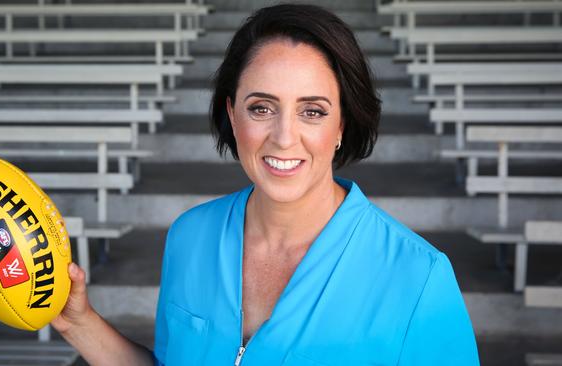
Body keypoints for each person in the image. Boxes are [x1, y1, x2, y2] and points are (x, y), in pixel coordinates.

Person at [52, 4, 480, 365]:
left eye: (312, 111)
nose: (284, 137)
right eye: (261, 108)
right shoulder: (190, 235)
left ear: (341, 127)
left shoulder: (419, 278)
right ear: (232, 114)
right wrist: (78, 321)